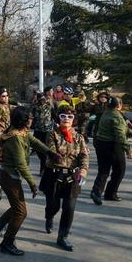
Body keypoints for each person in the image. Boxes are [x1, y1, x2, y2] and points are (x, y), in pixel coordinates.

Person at [0, 106, 58, 256]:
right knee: (21, 212)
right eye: (29, 118)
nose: (32, 120)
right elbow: (21, 164)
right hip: (9, 177)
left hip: (10, 176)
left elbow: (35, 141)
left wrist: (50, 152)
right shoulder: (15, 137)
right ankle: (7, 242)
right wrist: (32, 183)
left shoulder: (21, 132)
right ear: (22, 120)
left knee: (16, 208)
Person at [39, 106, 89, 251]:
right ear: (58, 118)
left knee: (69, 207)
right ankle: (49, 217)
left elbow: (84, 155)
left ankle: (63, 236)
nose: (66, 119)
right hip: (54, 175)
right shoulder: (52, 134)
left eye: (70, 117)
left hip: (73, 176)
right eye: (63, 116)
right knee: (53, 206)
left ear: (74, 119)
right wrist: (60, 158)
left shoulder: (79, 137)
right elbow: (52, 153)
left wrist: (83, 170)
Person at [90, 96, 132, 205]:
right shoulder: (117, 116)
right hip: (113, 145)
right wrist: (128, 150)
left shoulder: (107, 112)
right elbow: (120, 135)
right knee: (119, 170)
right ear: (119, 105)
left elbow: (123, 127)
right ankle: (110, 193)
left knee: (103, 170)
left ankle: (96, 191)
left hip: (101, 143)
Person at [30, 90, 55, 175]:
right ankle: (43, 165)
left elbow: (55, 117)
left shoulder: (50, 107)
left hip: (48, 131)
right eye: (40, 98)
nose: (41, 100)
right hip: (38, 131)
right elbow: (31, 117)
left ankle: (44, 169)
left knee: (46, 150)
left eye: (43, 98)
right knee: (38, 149)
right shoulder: (34, 107)